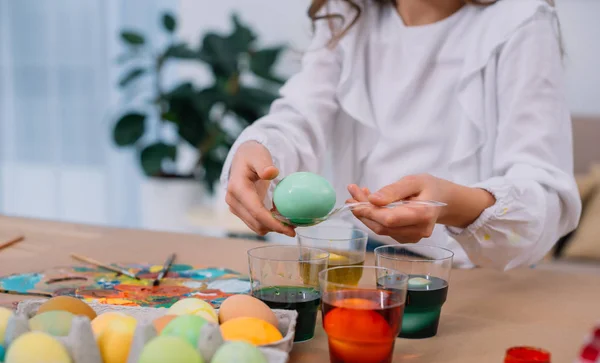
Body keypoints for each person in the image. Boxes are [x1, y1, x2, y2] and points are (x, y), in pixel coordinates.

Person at [220, 0, 581, 271]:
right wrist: (257, 147)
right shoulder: (349, 13)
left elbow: (545, 200)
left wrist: (452, 205)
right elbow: (299, 116)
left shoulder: (520, 21)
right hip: (366, 266)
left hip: (474, 282)